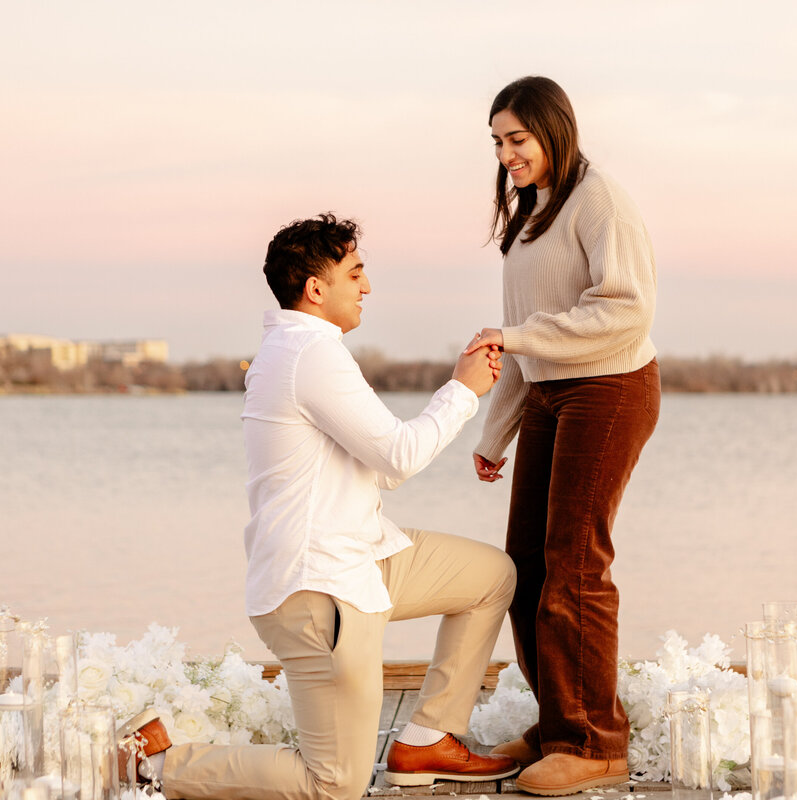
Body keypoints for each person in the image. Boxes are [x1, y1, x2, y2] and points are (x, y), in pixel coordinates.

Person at [118, 213, 519, 800]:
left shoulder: (302, 351)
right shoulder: (311, 355)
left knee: (490, 576)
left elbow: (377, 461)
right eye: (355, 272)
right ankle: (156, 762)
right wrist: (462, 390)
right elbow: (400, 456)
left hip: (358, 557)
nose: (367, 286)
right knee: (334, 783)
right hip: (321, 588)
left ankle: (428, 739)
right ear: (315, 288)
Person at [464, 76, 661, 796]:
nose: (507, 153)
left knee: (574, 565)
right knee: (524, 568)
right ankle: (558, 725)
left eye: (517, 138)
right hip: (551, 395)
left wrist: (514, 337)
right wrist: (495, 433)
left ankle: (594, 743)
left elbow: (626, 312)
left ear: (554, 130)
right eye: (497, 142)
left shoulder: (598, 198)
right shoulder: (529, 214)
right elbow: (531, 344)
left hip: (610, 389)